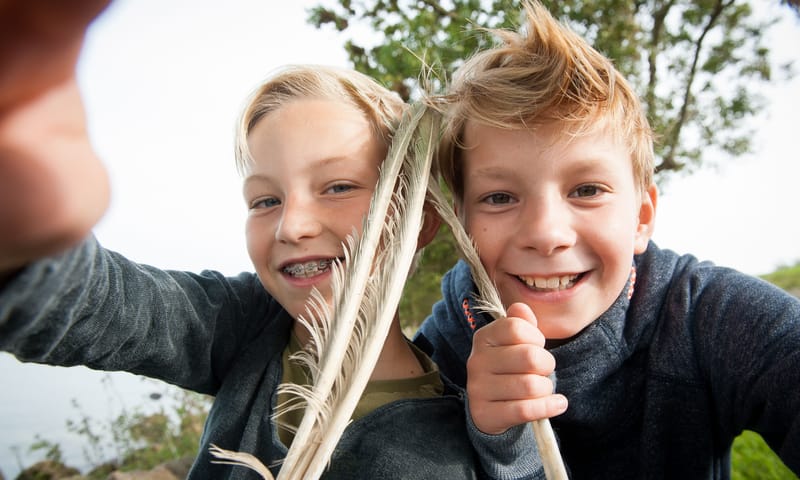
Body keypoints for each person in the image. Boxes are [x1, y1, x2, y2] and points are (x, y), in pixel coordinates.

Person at [0, 3, 495, 478]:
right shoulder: (247, 326)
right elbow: (110, 306)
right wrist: (24, 245)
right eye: (265, 200)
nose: (291, 226)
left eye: (338, 187)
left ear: (421, 220)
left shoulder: (445, 449)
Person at [413, 0, 800, 478]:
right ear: (461, 223)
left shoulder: (707, 316)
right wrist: (502, 444)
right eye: (499, 197)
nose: (546, 234)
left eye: (587, 190)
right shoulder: (438, 354)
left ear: (641, 217)